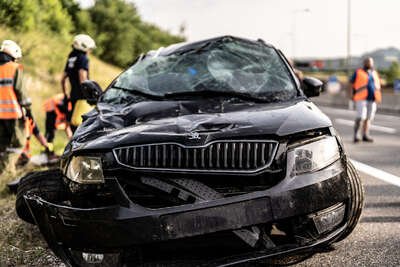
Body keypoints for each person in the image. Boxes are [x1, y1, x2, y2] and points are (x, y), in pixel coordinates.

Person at [0, 40, 26, 172]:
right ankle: (7, 170)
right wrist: (27, 108)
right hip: (13, 113)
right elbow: (20, 92)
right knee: (18, 143)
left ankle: (5, 169)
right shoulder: (15, 68)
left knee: (2, 144)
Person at [61, 34, 96, 132]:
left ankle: (72, 146)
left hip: (73, 96)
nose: (90, 51)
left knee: (73, 123)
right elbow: (83, 78)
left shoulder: (71, 57)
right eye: (90, 49)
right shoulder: (83, 58)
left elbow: (63, 79)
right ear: (84, 46)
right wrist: (90, 94)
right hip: (83, 98)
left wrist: (65, 95)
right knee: (84, 126)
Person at [350, 57, 382, 143]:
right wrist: (351, 95)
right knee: (361, 117)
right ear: (364, 63)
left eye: (371, 62)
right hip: (361, 98)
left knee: (368, 118)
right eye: (367, 62)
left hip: (372, 99)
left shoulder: (374, 73)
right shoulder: (358, 72)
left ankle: (365, 135)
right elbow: (351, 83)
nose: (369, 64)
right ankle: (356, 135)